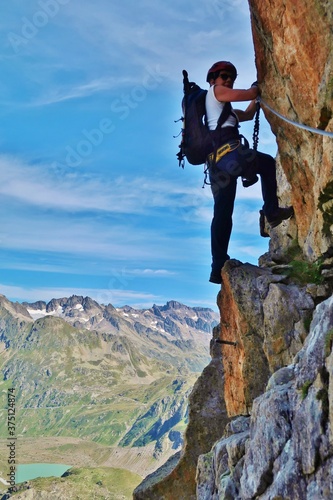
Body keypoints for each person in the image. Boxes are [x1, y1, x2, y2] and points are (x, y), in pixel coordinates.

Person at [205, 61, 294, 284]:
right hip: (231, 157)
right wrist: (257, 87)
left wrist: (256, 100)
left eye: (231, 77)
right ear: (213, 79)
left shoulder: (223, 111)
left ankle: (217, 267)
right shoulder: (215, 92)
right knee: (266, 164)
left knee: (223, 213)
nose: (228, 80)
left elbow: (246, 112)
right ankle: (271, 212)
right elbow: (246, 95)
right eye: (224, 76)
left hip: (218, 167)